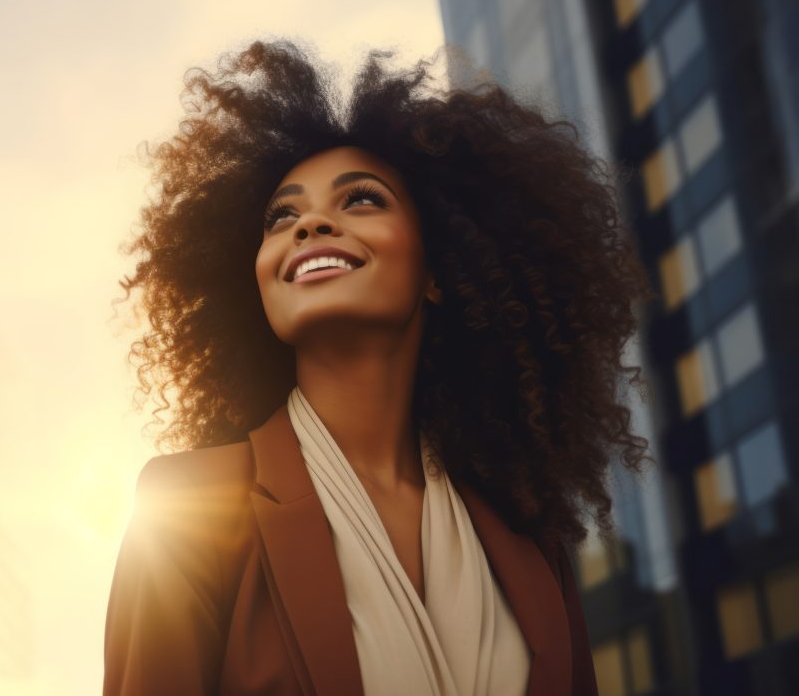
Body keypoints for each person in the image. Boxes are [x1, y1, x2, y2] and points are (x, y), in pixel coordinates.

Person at [104, 39, 656, 696]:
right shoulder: (189, 508)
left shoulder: (531, 537)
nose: (309, 224)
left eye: (359, 199)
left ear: (437, 273)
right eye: (282, 215)